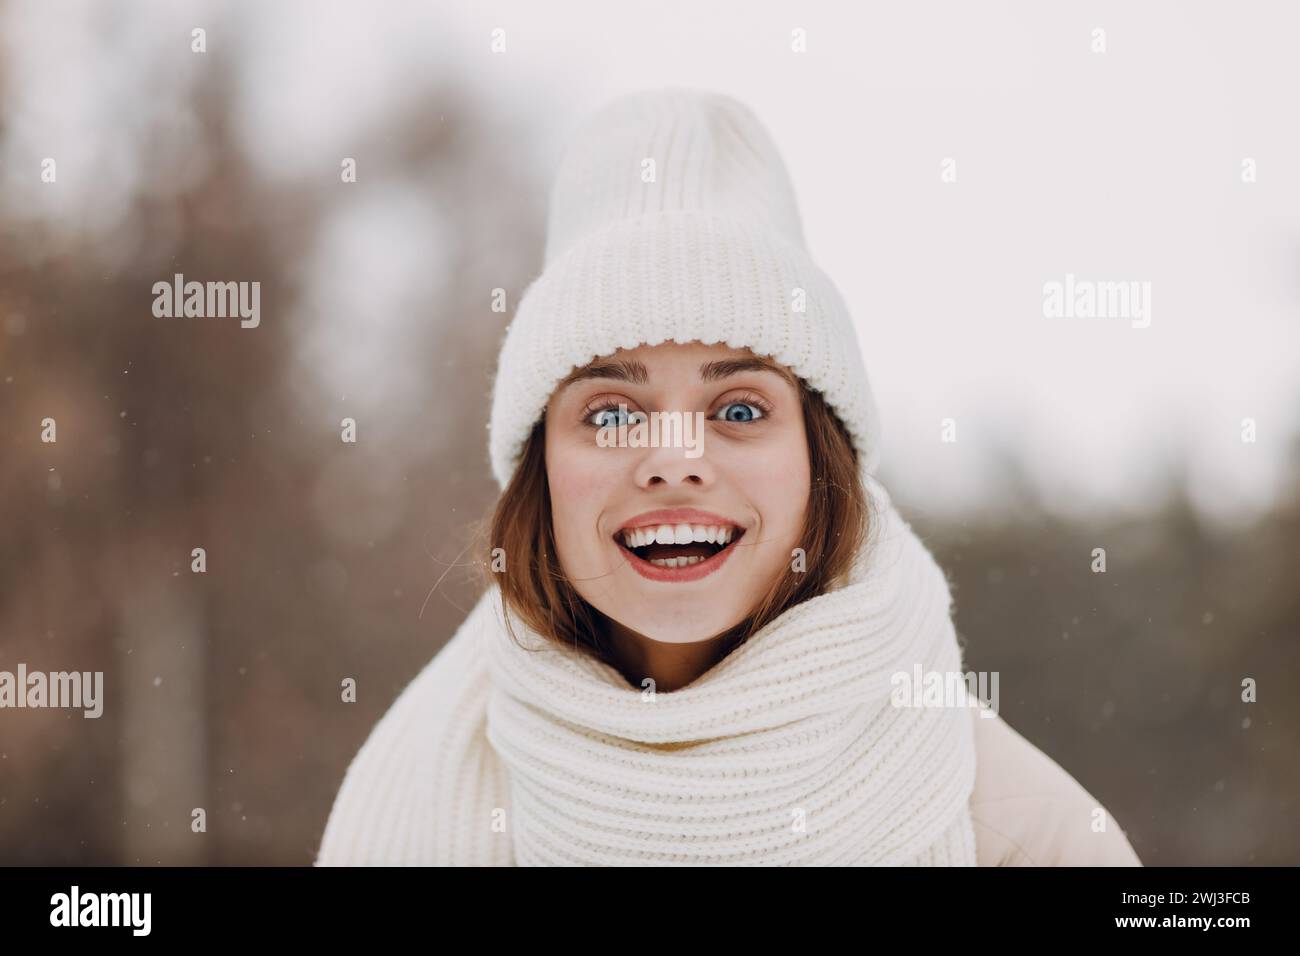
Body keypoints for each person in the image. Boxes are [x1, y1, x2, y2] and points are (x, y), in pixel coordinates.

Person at [316, 87, 1141, 866]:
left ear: (825, 459)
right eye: (610, 413)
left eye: (739, 410)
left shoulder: (1023, 836)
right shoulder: (422, 799)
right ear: (539, 471)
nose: (675, 457)